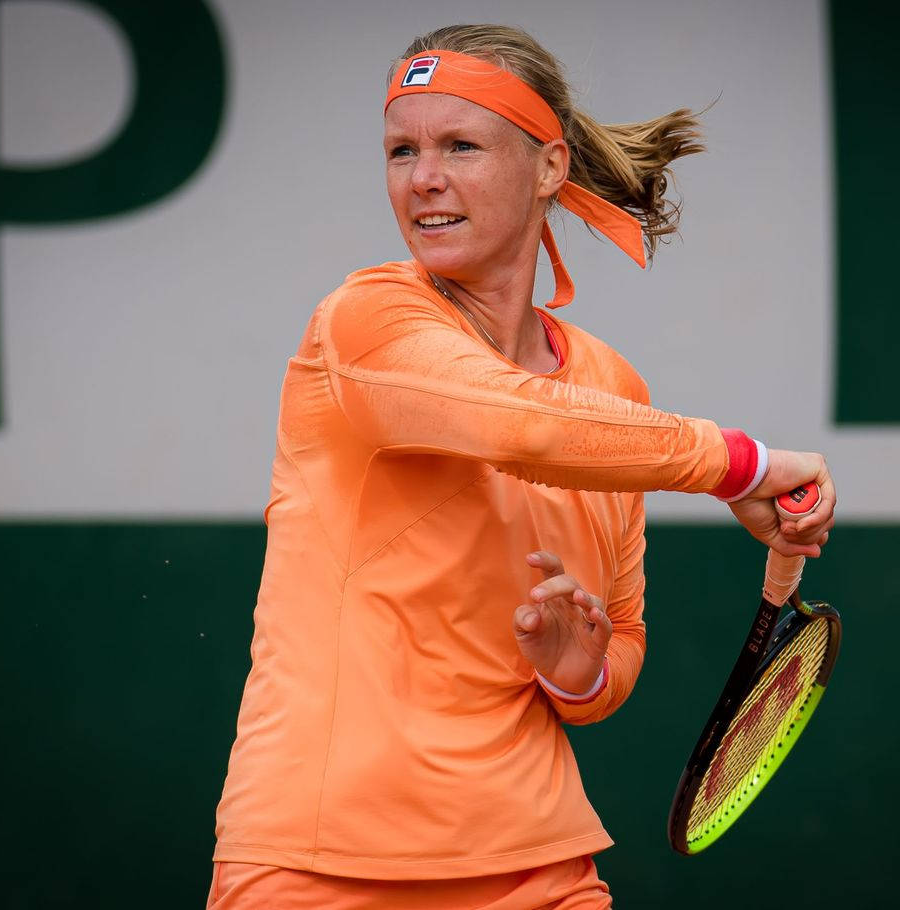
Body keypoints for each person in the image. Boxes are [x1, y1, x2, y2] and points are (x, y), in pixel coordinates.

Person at [207, 23, 835, 909]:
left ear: (547, 167)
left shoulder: (610, 387)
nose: (423, 178)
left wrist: (572, 667)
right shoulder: (364, 320)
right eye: (401, 150)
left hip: (537, 867)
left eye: (460, 145)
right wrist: (742, 466)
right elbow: (523, 426)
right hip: (319, 861)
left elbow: (617, 647)